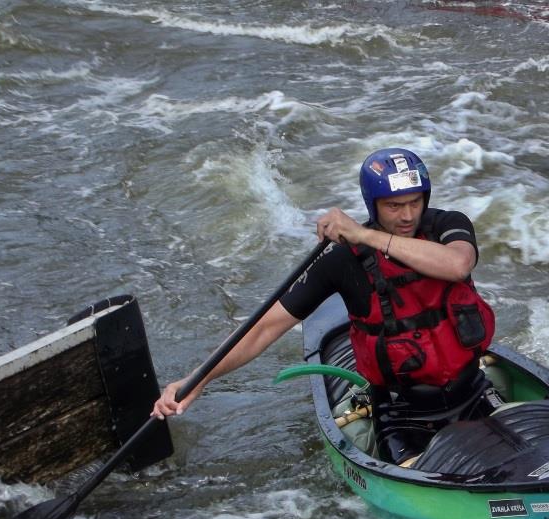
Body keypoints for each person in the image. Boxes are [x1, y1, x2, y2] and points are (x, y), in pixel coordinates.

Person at [151, 148, 496, 464]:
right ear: (373, 204)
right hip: (403, 414)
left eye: (414, 202)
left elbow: (457, 265)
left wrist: (365, 234)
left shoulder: (447, 225)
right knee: (425, 470)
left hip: (472, 392)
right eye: (394, 206)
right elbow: (263, 328)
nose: (407, 215)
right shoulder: (343, 261)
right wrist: (198, 379)